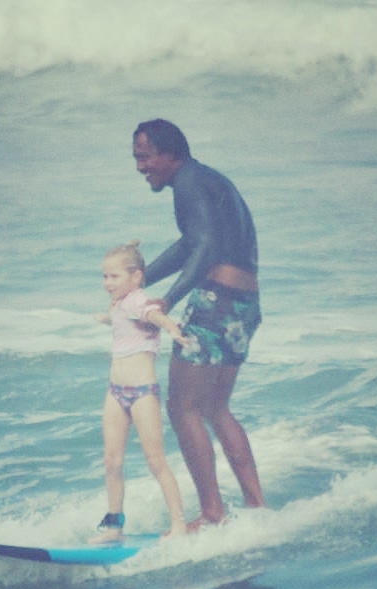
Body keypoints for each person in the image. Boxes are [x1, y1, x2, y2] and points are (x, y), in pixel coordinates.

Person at [132, 119, 265, 530]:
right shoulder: (205, 180)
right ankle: (257, 506)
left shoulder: (188, 183)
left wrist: (168, 300)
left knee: (183, 407)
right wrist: (140, 279)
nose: (140, 167)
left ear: (171, 154)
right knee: (214, 407)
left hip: (215, 302)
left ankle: (212, 512)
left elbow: (203, 247)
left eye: (145, 156)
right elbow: (193, 243)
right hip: (243, 304)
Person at [91, 240, 189, 543]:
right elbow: (127, 321)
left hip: (142, 393)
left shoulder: (136, 300)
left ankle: (179, 526)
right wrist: (108, 318)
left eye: (114, 277)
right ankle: (114, 526)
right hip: (116, 392)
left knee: (156, 461)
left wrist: (171, 328)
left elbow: (151, 314)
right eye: (105, 277)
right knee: (112, 461)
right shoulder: (121, 304)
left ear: (135, 277)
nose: (108, 283)